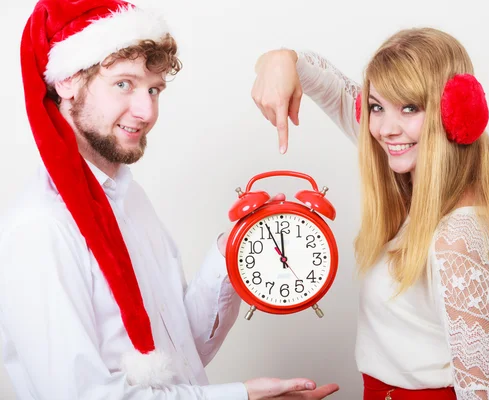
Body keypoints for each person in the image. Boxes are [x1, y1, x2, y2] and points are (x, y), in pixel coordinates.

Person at [0, 0, 339, 399]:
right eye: (123, 84)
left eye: (154, 89)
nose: (145, 111)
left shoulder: (129, 198)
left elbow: (179, 352)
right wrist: (241, 396)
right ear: (68, 81)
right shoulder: (41, 228)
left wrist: (233, 249)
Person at [251, 28, 489, 399]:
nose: (385, 129)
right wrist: (280, 58)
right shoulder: (407, 163)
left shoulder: (458, 237)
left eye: (410, 107)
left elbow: (484, 393)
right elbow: (328, 86)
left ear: (455, 113)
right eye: (377, 106)